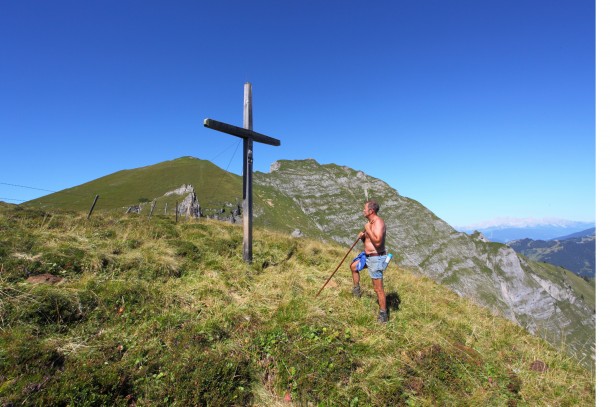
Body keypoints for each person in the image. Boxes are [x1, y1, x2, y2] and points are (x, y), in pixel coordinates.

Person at [350, 200, 389, 323]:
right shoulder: (370, 223)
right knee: (353, 267)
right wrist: (363, 237)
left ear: (371, 211)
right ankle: (356, 291)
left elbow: (377, 242)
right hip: (367, 256)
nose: (363, 210)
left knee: (378, 289)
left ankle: (383, 315)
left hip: (376, 258)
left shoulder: (378, 222)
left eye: (364, 209)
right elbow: (369, 242)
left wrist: (368, 229)